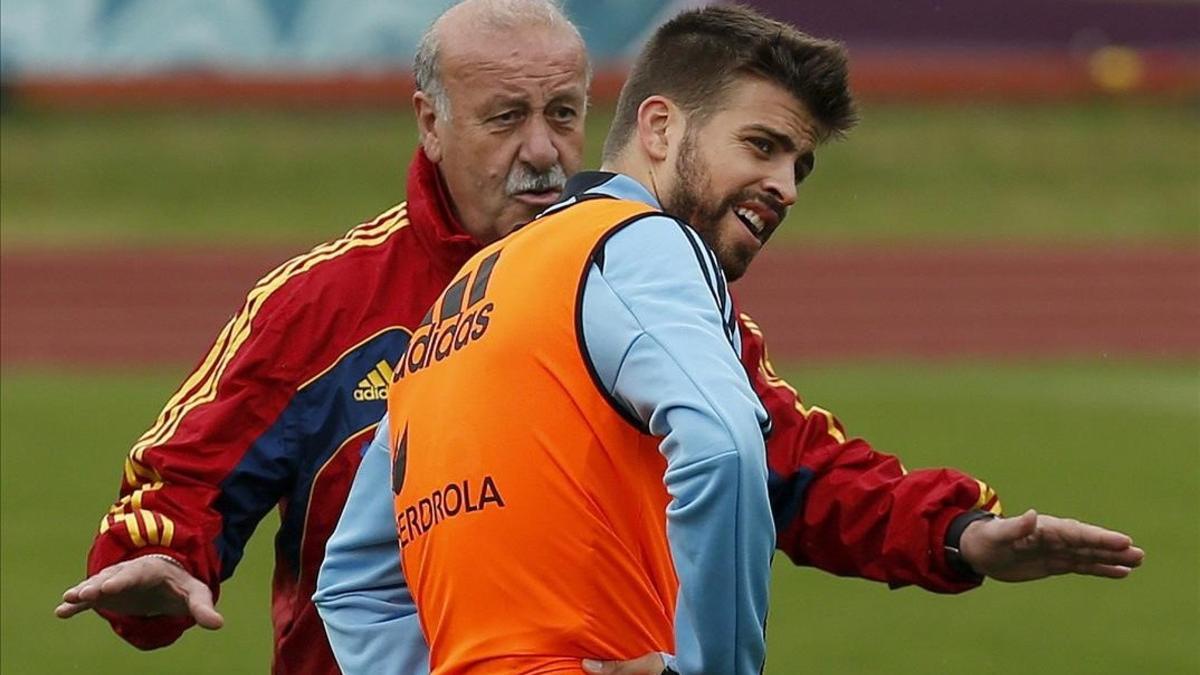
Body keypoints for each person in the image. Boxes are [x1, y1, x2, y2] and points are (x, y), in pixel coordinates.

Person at [316, 5, 1143, 675]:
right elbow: (722, 449)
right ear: (662, 129)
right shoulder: (643, 244)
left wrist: (953, 532)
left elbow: (354, 579)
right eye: (762, 145)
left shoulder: (461, 304)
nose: (784, 186)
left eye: (799, 167)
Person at [54, 2, 589, 673]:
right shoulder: (318, 308)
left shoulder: (650, 285)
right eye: (507, 117)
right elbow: (181, 485)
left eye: (563, 113)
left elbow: (760, 444)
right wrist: (156, 559)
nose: (542, 150)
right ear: (432, 123)